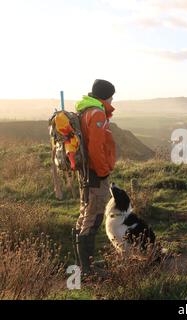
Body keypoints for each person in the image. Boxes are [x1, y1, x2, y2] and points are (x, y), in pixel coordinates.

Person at [72, 79, 116, 274]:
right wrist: (103, 171)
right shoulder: (97, 113)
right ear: (106, 95)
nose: (113, 99)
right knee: (94, 216)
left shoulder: (85, 110)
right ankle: (87, 270)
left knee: (85, 214)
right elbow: (96, 148)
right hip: (95, 173)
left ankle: (82, 264)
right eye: (112, 95)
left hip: (85, 171)